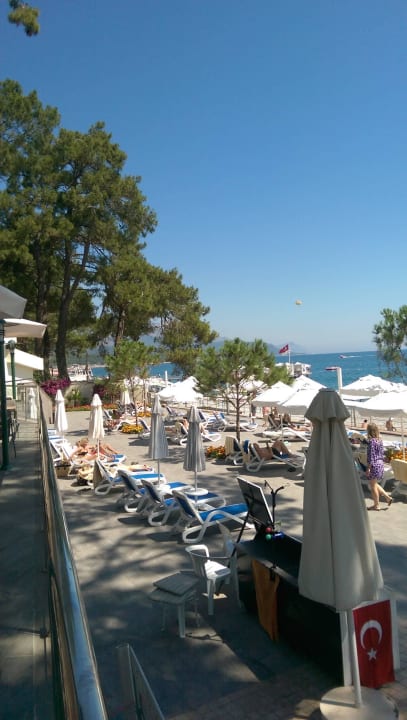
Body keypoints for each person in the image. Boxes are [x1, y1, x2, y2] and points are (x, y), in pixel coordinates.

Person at [365, 423, 392, 511]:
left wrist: (368, 468)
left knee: (373, 486)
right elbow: (381, 453)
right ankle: (387, 497)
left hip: (374, 465)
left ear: (369, 431)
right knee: (374, 484)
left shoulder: (371, 442)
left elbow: (371, 456)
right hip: (380, 463)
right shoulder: (379, 440)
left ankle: (376, 505)